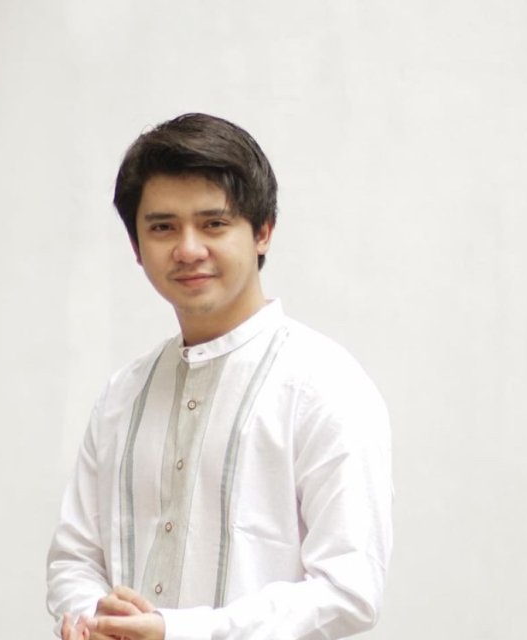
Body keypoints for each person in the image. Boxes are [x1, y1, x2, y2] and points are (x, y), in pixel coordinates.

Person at [47, 113, 393, 640]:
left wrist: (176, 631)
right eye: (162, 227)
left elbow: (350, 590)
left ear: (262, 232)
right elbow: (73, 557)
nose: (188, 249)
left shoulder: (323, 386)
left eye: (213, 224)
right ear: (136, 247)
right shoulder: (124, 395)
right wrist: (96, 618)